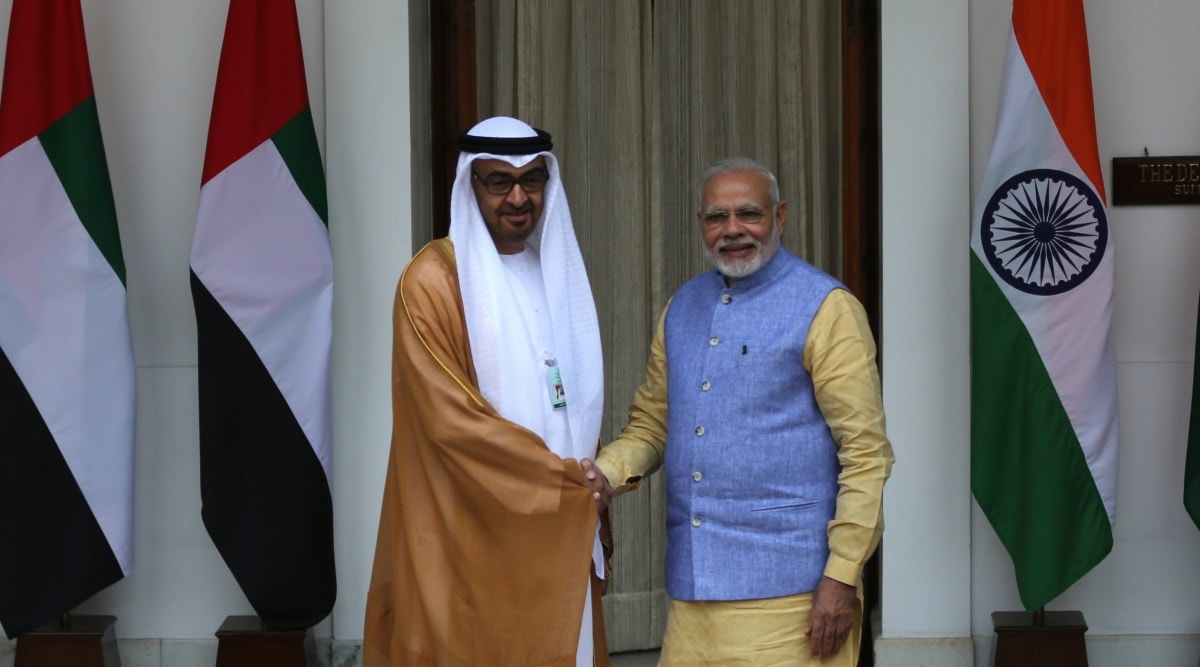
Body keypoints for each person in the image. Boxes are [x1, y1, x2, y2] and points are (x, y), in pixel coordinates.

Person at [586, 157, 894, 665]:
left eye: (748, 214)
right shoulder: (682, 306)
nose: (732, 230)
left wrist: (842, 577)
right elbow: (651, 424)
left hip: (791, 597)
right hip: (692, 594)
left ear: (781, 217)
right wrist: (604, 474)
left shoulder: (826, 307)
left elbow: (866, 454)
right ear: (701, 224)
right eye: (716, 217)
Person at [364, 116, 611, 666]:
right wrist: (564, 481)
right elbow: (451, 424)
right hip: (474, 531)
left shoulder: (554, 269)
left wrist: (580, 482)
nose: (518, 197)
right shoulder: (432, 282)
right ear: (469, 185)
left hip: (561, 526)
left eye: (532, 180)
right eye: (498, 182)